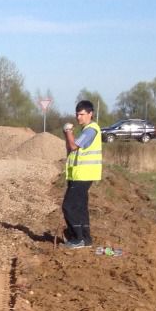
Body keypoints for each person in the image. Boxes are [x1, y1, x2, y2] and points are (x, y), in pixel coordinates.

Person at [61, 100, 103, 247]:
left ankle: (77, 238)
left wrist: (68, 132)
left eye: (82, 114)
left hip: (83, 175)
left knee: (69, 206)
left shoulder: (91, 130)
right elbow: (72, 148)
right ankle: (85, 238)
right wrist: (68, 134)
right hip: (79, 174)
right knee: (80, 206)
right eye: (77, 114)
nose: (78, 117)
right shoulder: (86, 130)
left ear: (90, 114)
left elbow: (73, 146)